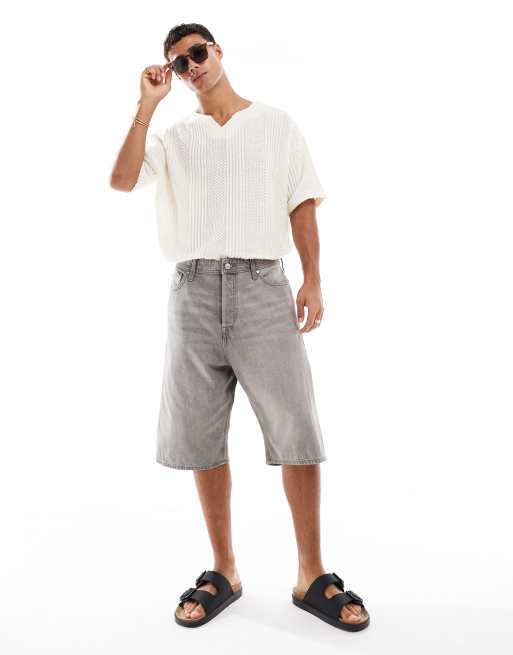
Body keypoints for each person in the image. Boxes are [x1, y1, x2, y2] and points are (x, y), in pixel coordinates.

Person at [110, 22, 370, 632]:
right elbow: (122, 179)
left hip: (262, 286)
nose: (191, 67)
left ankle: (311, 574)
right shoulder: (175, 136)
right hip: (192, 290)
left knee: (296, 426)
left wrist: (313, 279)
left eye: (197, 54)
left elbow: (300, 202)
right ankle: (224, 570)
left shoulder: (274, 123)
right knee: (202, 433)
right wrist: (147, 106)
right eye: (178, 63)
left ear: (218, 51)